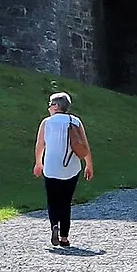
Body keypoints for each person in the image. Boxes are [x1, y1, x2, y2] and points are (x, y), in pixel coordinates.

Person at [32, 90, 94, 248]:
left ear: (57, 106)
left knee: (52, 201)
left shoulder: (47, 123)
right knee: (66, 203)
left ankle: (54, 225)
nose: (48, 108)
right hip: (71, 168)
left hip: (51, 167)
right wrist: (89, 165)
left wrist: (38, 163)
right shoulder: (75, 121)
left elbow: (40, 145)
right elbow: (84, 146)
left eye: (50, 104)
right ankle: (64, 237)